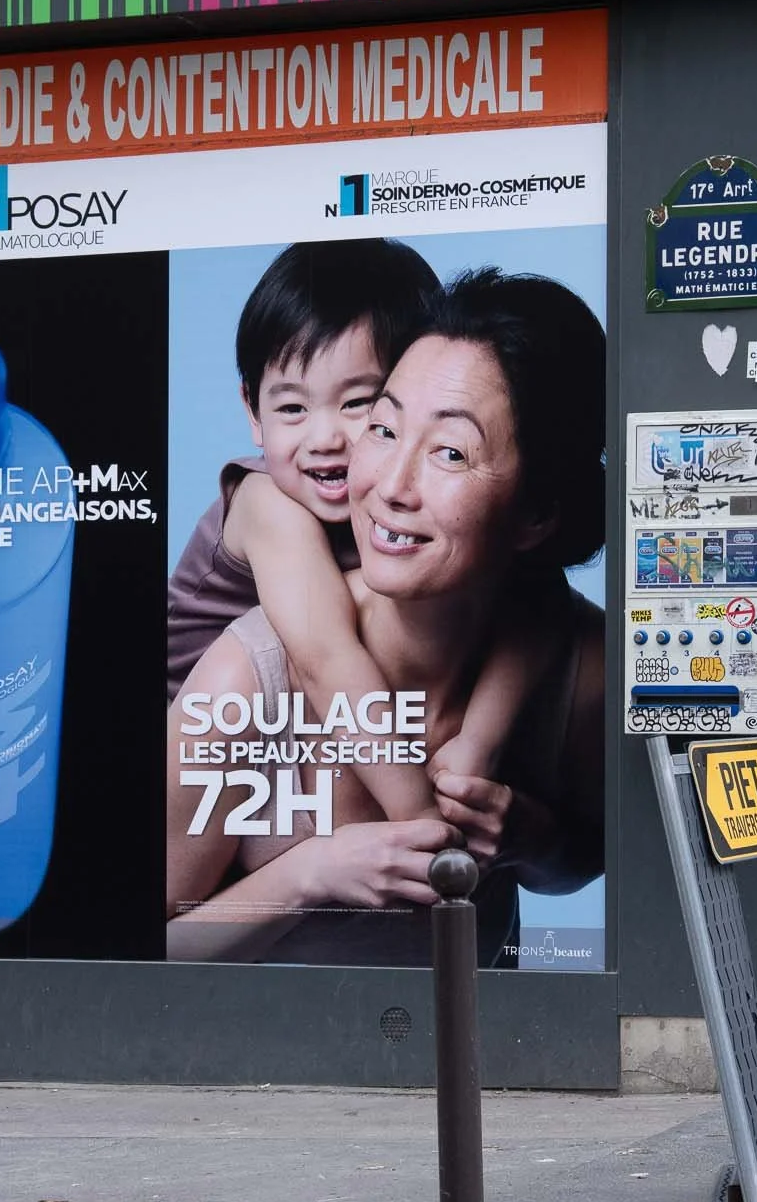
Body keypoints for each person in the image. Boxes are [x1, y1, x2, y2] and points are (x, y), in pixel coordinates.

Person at [165, 268, 606, 965]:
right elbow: (131, 962)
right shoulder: (249, 664)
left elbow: (584, 862)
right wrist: (313, 871)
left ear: (538, 512)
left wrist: (530, 835)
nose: (388, 486)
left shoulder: (571, 660)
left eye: (450, 451)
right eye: (386, 427)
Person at [164, 239, 542, 823]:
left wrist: (477, 747)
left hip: (303, 753)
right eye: (292, 409)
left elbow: (537, 601)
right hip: (196, 756)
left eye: (359, 404)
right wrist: (424, 824)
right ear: (251, 411)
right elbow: (325, 658)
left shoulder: (409, 507)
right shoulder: (268, 502)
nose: (324, 438)